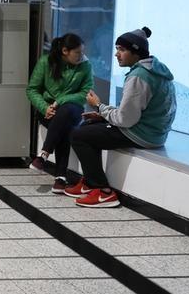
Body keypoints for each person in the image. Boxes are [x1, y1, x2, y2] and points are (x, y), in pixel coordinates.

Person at [66, 27, 176, 207]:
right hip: (154, 132)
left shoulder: (139, 76)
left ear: (136, 52)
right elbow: (133, 111)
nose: (117, 54)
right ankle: (88, 183)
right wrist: (102, 115)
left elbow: (126, 120)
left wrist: (99, 106)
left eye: (122, 50)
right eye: (117, 49)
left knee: (79, 136)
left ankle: (103, 191)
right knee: (87, 127)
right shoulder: (156, 70)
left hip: (142, 134)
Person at [26, 33, 94, 193]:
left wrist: (60, 100)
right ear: (65, 51)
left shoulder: (85, 65)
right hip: (48, 112)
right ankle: (60, 178)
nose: (81, 56)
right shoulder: (46, 62)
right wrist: (44, 107)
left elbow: (86, 92)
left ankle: (43, 154)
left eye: (82, 52)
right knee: (66, 127)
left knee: (66, 111)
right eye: (77, 52)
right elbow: (32, 89)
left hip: (74, 109)